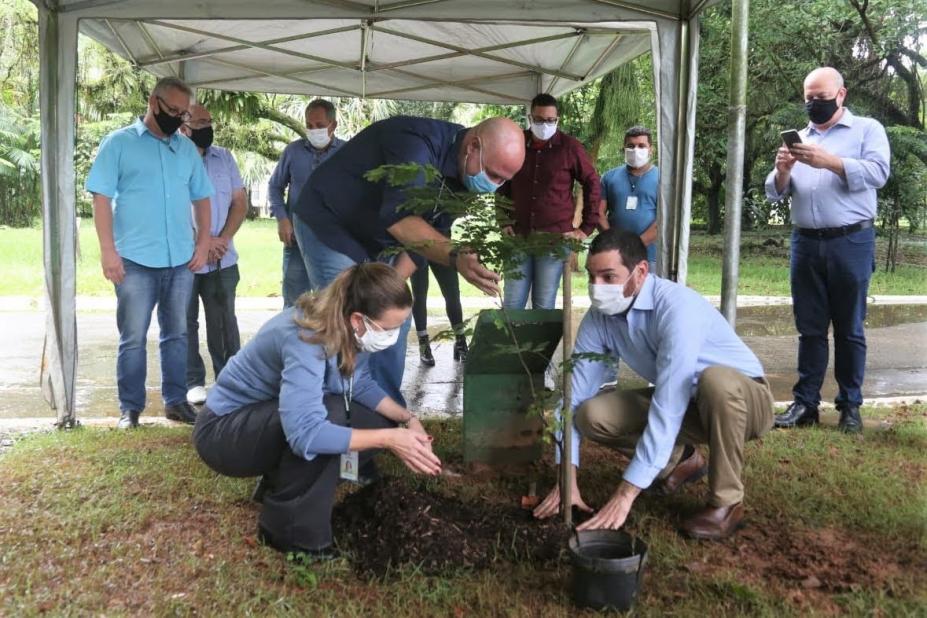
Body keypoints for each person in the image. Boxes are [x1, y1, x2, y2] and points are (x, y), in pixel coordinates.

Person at [534, 230, 774, 540]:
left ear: (641, 272)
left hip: (745, 402)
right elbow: (574, 394)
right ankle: (680, 461)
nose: (597, 288)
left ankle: (726, 504)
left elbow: (669, 406)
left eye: (609, 277)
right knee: (590, 414)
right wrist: (566, 474)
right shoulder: (600, 318)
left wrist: (625, 494)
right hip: (689, 403)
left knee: (715, 381)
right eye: (592, 277)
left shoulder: (676, 308)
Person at [193, 263, 442, 556]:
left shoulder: (345, 326)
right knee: (332, 421)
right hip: (223, 434)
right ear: (358, 319)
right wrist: (389, 440)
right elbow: (306, 434)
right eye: (389, 328)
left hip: (263, 418)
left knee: (375, 419)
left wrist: (407, 419)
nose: (394, 336)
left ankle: (280, 482)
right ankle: (289, 531)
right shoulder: (304, 338)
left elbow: (357, 385)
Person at [291, 115, 525, 406]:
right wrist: (456, 256)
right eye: (494, 174)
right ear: (473, 147)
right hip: (330, 221)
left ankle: (385, 412)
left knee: (394, 316)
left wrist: (392, 287)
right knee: (353, 316)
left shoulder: (466, 179)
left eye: (504, 180)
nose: (495, 186)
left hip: (379, 238)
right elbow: (401, 220)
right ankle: (337, 416)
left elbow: (429, 237)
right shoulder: (416, 143)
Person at [765, 67, 890, 434]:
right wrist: (782, 170)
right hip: (805, 242)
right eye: (808, 98)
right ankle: (806, 404)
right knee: (810, 329)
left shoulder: (867, 130)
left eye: (820, 98)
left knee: (849, 328)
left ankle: (850, 406)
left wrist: (830, 162)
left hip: (851, 240)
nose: (813, 104)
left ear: (841, 95)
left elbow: (879, 173)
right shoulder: (798, 138)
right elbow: (775, 191)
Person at [85, 77, 213, 429]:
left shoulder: (185, 149)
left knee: (177, 334)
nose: (178, 118)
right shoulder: (118, 144)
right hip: (134, 260)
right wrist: (108, 251)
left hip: (181, 260)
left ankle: (176, 402)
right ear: (153, 102)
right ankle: (130, 408)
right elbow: (100, 198)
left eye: (183, 113)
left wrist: (203, 243)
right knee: (133, 338)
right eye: (172, 110)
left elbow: (202, 198)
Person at [499, 93, 600, 310]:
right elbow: (500, 180)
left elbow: (592, 181)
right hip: (517, 236)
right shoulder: (515, 143)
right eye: (539, 119)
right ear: (530, 117)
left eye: (550, 120)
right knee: (512, 303)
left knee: (544, 304)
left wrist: (585, 228)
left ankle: (539, 345)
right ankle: (512, 345)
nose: (545, 124)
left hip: (554, 240)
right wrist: (503, 220)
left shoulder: (570, 147)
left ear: (557, 119)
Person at [180, 104, 248, 405]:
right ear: (184, 125)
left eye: (210, 121)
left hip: (223, 255)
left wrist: (222, 238)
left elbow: (239, 202)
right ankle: (192, 381)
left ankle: (230, 379)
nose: (207, 126)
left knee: (223, 322)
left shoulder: (225, 158)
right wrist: (201, 242)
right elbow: (173, 207)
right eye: (200, 122)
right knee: (184, 322)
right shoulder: (174, 158)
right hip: (183, 258)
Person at [268, 99, 345, 306]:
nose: (314, 130)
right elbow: (274, 187)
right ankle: (293, 338)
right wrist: (282, 219)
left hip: (333, 241)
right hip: (296, 240)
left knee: (332, 301)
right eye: (309, 126)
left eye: (320, 126)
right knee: (294, 301)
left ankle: (329, 338)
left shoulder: (347, 153)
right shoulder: (293, 152)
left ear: (333, 125)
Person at [599, 126, 660, 269]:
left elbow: (664, 219)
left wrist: (635, 245)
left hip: (649, 255)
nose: (635, 150)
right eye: (631, 146)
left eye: (641, 146)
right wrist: (614, 242)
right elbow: (599, 213)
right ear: (624, 148)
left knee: (646, 291)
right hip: (615, 255)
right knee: (617, 291)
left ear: (651, 149)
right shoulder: (609, 177)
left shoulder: (662, 178)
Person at [410, 251, 468, 366]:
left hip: (441, 245)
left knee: (453, 294)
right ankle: (423, 344)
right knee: (419, 296)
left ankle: (460, 341)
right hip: (416, 245)